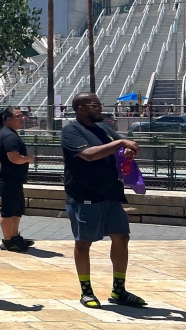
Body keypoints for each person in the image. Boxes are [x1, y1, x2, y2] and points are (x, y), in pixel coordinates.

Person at [61, 92, 146, 309]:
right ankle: (86, 290)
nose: (100, 109)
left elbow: (115, 149)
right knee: (84, 242)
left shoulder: (105, 129)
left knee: (121, 237)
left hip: (111, 195)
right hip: (85, 196)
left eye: (100, 104)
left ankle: (119, 290)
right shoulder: (72, 131)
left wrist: (125, 151)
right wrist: (120, 143)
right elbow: (88, 154)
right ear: (81, 108)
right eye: (94, 105)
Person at [0, 107, 36, 252]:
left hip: (15, 179)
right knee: (8, 210)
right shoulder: (9, 136)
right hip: (8, 179)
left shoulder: (9, 134)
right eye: (19, 116)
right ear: (8, 119)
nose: (23, 119)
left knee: (17, 209)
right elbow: (14, 158)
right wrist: (29, 159)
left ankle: (14, 237)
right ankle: (8, 241)